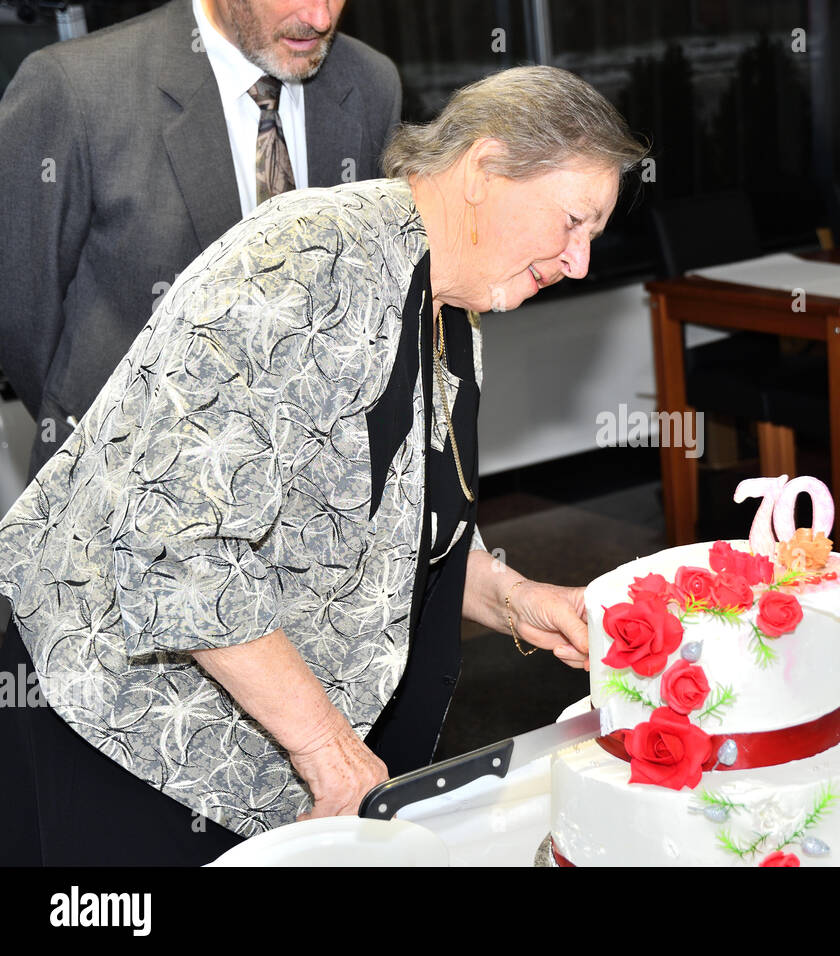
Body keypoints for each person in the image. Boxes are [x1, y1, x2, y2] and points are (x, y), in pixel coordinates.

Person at [0, 64, 647, 865]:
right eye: (572, 222)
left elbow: (403, 529)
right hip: (129, 737)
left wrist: (516, 601)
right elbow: (179, 549)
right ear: (484, 169)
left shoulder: (450, 309)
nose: (579, 263)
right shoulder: (306, 260)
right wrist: (326, 750)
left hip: (256, 758)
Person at [0, 0, 401, 477]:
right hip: (124, 489)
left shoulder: (371, 83)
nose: (320, 18)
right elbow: (20, 308)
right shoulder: (74, 88)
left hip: (312, 487)